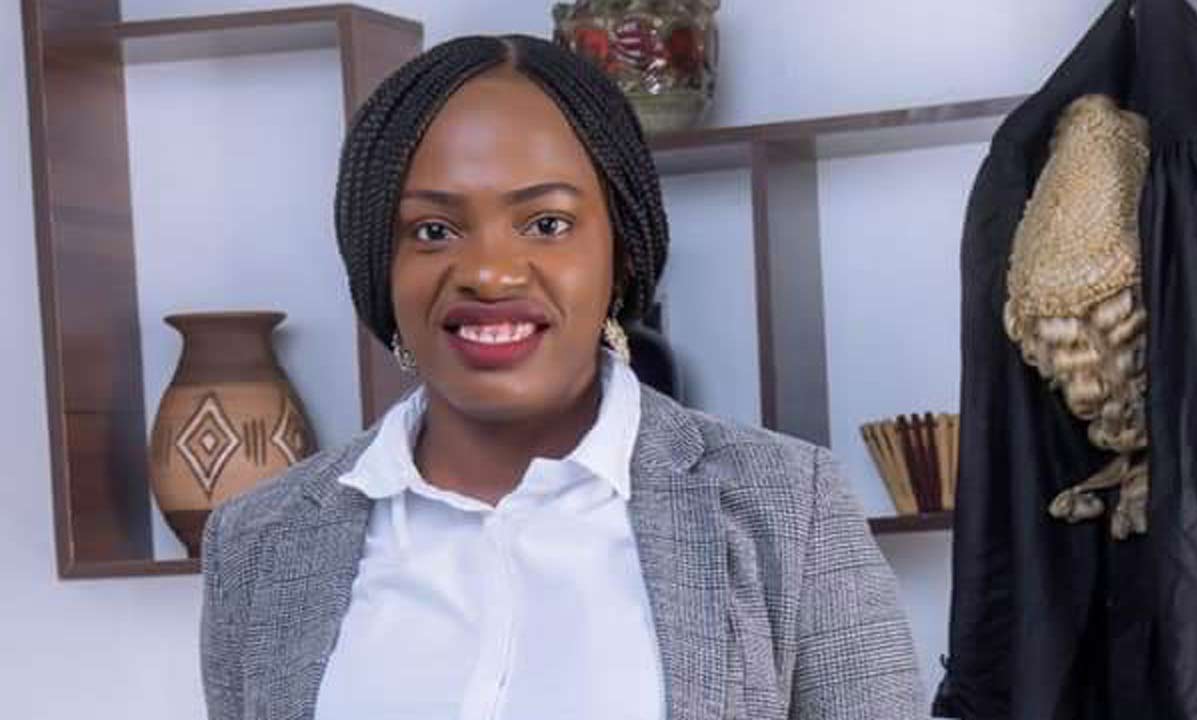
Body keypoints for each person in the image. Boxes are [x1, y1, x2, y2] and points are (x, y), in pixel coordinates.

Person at [199, 34, 922, 720]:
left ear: (622, 251)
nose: (489, 274)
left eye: (547, 224)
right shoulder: (259, 542)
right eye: (433, 231)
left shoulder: (788, 508)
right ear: (378, 266)